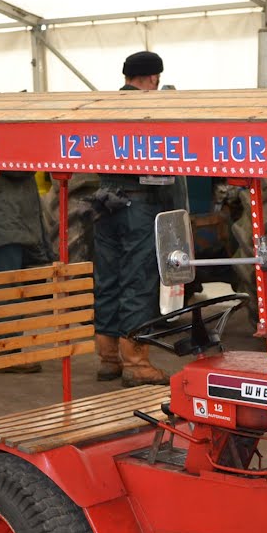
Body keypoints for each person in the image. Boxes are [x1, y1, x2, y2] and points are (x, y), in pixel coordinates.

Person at [92, 50, 170, 386]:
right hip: (139, 206)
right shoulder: (151, 108)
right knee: (138, 279)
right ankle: (136, 363)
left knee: (108, 278)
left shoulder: (104, 109)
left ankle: (108, 357)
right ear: (153, 78)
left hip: (102, 202)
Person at [0, 169, 52, 373]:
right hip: (1, 218)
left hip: (0, 215)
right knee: (6, 286)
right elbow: (16, 166)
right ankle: (6, 351)